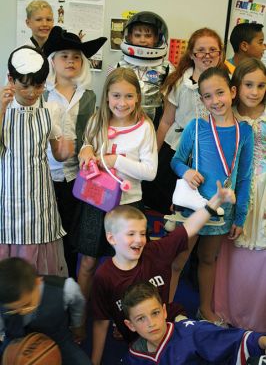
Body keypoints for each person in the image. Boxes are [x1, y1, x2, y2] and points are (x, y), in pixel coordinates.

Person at [90, 183, 236, 365]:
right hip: (138, 338)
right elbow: (101, 321)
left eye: (143, 233)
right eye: (131, 234)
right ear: (111, 238)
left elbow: (188, 228)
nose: (139, 240)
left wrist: (216, 200)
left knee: (199, 337)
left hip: (170, 320)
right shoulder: (104, 277)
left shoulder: (155, 251)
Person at [170, 66, 254, 325]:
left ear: (232, 92)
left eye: (220, 93)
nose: (215, 101)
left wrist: (239, 217)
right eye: (207, 96)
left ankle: (205, 309)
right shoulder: (196, 127)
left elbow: (243, 177)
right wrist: (186, 172)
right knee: (177, 261)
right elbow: (176, 160)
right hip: (192, 208)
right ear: (202, 100)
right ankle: (165, 308)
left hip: (222, 213)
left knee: (208, 260)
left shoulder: (245, 132)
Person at [77, 67, 158, 297]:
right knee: (88, 263)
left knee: (129, 265)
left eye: (129, 96)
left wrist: (115, 160)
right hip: (95, 200)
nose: (122, 103)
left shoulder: (144, 127)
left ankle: (126, 317)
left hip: (129, 204)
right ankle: (80, 319)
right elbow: (87, 143)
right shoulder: (97, 120)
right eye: (116, 95)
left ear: (138, 98)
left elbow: (150, 172)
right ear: (107, 97)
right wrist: (85, 150)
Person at [0, 46, 74, 275]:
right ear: (11, 80)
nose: (32, 92)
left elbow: (60, 154)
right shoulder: (3, 109)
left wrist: (71, 145)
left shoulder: (49, 111)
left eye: (39, 86)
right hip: (7, 195)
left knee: (38, 252)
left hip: (38, 196)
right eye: (24, 85)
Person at [42, 26, 107, 278]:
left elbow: (92, 134)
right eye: (64, 56)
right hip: (46, 175)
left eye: (76, 57)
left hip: (76, 177)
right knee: (48, 231)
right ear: (52, 61)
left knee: (71, 232)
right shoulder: (42, 94)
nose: (71, 61)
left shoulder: (89, 96)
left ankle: (67, 281)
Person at [143, 27, 226, 216]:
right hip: (177, 149)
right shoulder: (180, 83)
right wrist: (152, 155)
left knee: (203, 205)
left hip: (210, 152)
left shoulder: (226, 83)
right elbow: (165, 122)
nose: (207, 55)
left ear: (220, 53)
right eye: (201, 50)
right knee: (169, 203)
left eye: (213, 50)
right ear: (192, 53)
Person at [214, 58, 266, 332]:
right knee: (232, 246)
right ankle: (228, 310)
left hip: (265, 189)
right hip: (237, 186)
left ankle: (259, 316)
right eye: (248, 85)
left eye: (261, 85)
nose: (255, 92)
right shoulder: (228, 115)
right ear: (236, 87)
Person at [121, 281, 266, 365]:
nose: (151, 323)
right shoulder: (133, 357)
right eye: (141, 318)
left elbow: (235, 338)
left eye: (155, 313)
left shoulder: (192, 332)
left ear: (164, 311)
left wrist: (262, 341)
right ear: (130, 325)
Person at [0, 257, 91, 365]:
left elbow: (78, 305)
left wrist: (77, 326)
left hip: (57, 340)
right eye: (13, 309)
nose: (22, 312)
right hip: (15, 342)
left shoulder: (66, 289)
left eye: (26, 305)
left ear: (37, 282)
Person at [109, 11, 173, 129]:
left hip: (155, 121)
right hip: (123, 117)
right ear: (130, 37)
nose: (142, 40)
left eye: (148, 36)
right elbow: (109, 99)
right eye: (137, 35)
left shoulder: (167, 68)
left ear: (157, 39)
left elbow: (171, 103)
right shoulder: (118, 66)